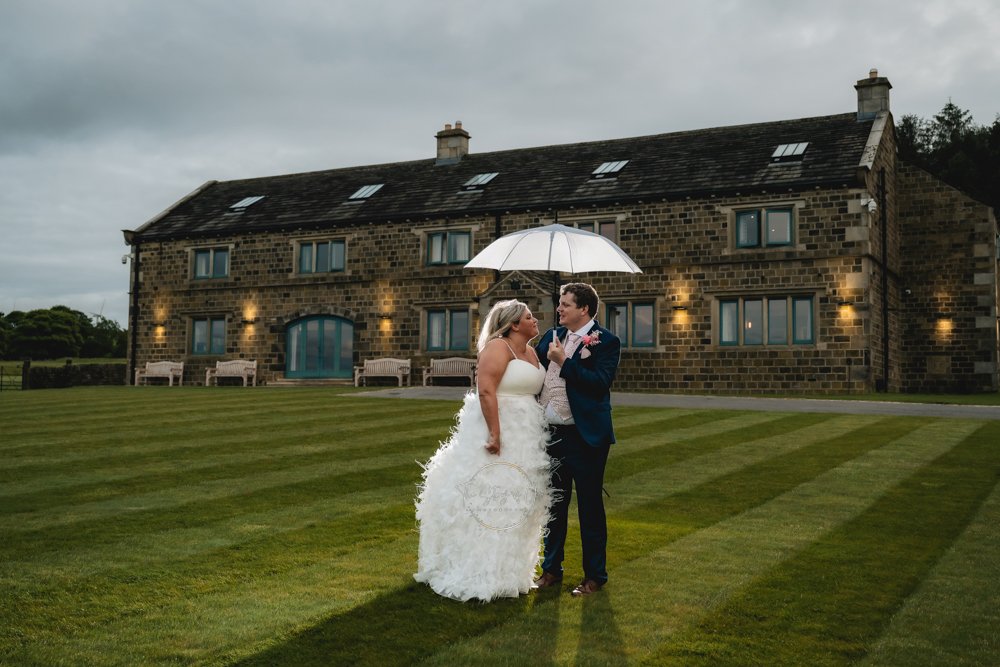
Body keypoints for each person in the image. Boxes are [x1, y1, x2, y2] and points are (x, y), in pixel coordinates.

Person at [414, 300, 553, 602]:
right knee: (491, 500)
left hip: (528, 436)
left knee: (518, 503)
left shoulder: (532, 351)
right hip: (499, 430)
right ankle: (480, 571)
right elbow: (486, 389)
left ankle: (510, 573)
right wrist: (495, 432)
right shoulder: (497, 347)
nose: (536, 321)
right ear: (515, 324)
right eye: (530, 317)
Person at [533, 282, 621, 596]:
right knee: (554, 505)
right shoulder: (549, 337)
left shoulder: (607, 342)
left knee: (589, 508)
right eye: (560, 303)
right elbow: (534, 376)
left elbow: (599, 384)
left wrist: (564, 362)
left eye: (565, 304)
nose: (559, 309)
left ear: (583, 309)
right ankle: (550, 571)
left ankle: (594, 576)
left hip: (587, 438)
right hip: (552, 435)